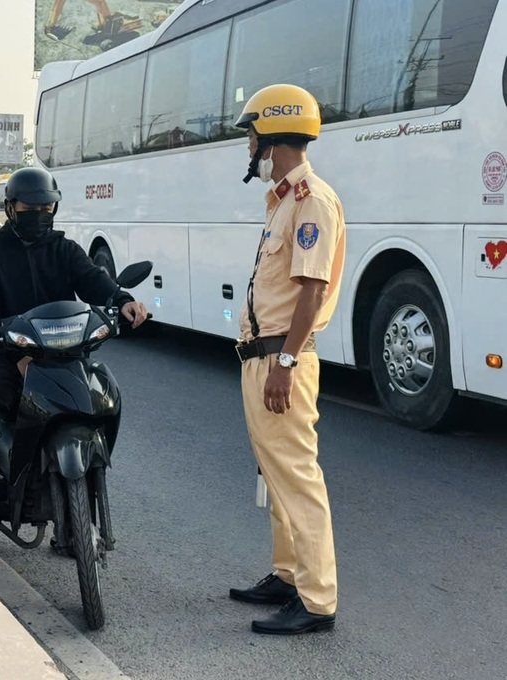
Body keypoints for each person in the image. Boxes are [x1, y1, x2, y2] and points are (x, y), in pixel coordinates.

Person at [0, 166, 149, 513]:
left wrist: (122, 301)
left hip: (62, 353)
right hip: (9, 353)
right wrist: (17, 356)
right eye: (31, 209)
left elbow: (93, 281)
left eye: (47, 208)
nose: (40, 215)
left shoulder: (65, 250)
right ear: (11, 208)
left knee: (103, 393)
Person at [228, 84, 347, 635]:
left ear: (272, 140)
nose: (248, 145)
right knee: (274, 472)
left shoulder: (311, 202)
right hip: (262, 356)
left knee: (297, 475)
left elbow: (312, 292)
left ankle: (317, 599)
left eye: (252, 135)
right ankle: (287, 574)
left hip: (282, 359)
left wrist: (287, 364)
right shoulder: (280, 203)